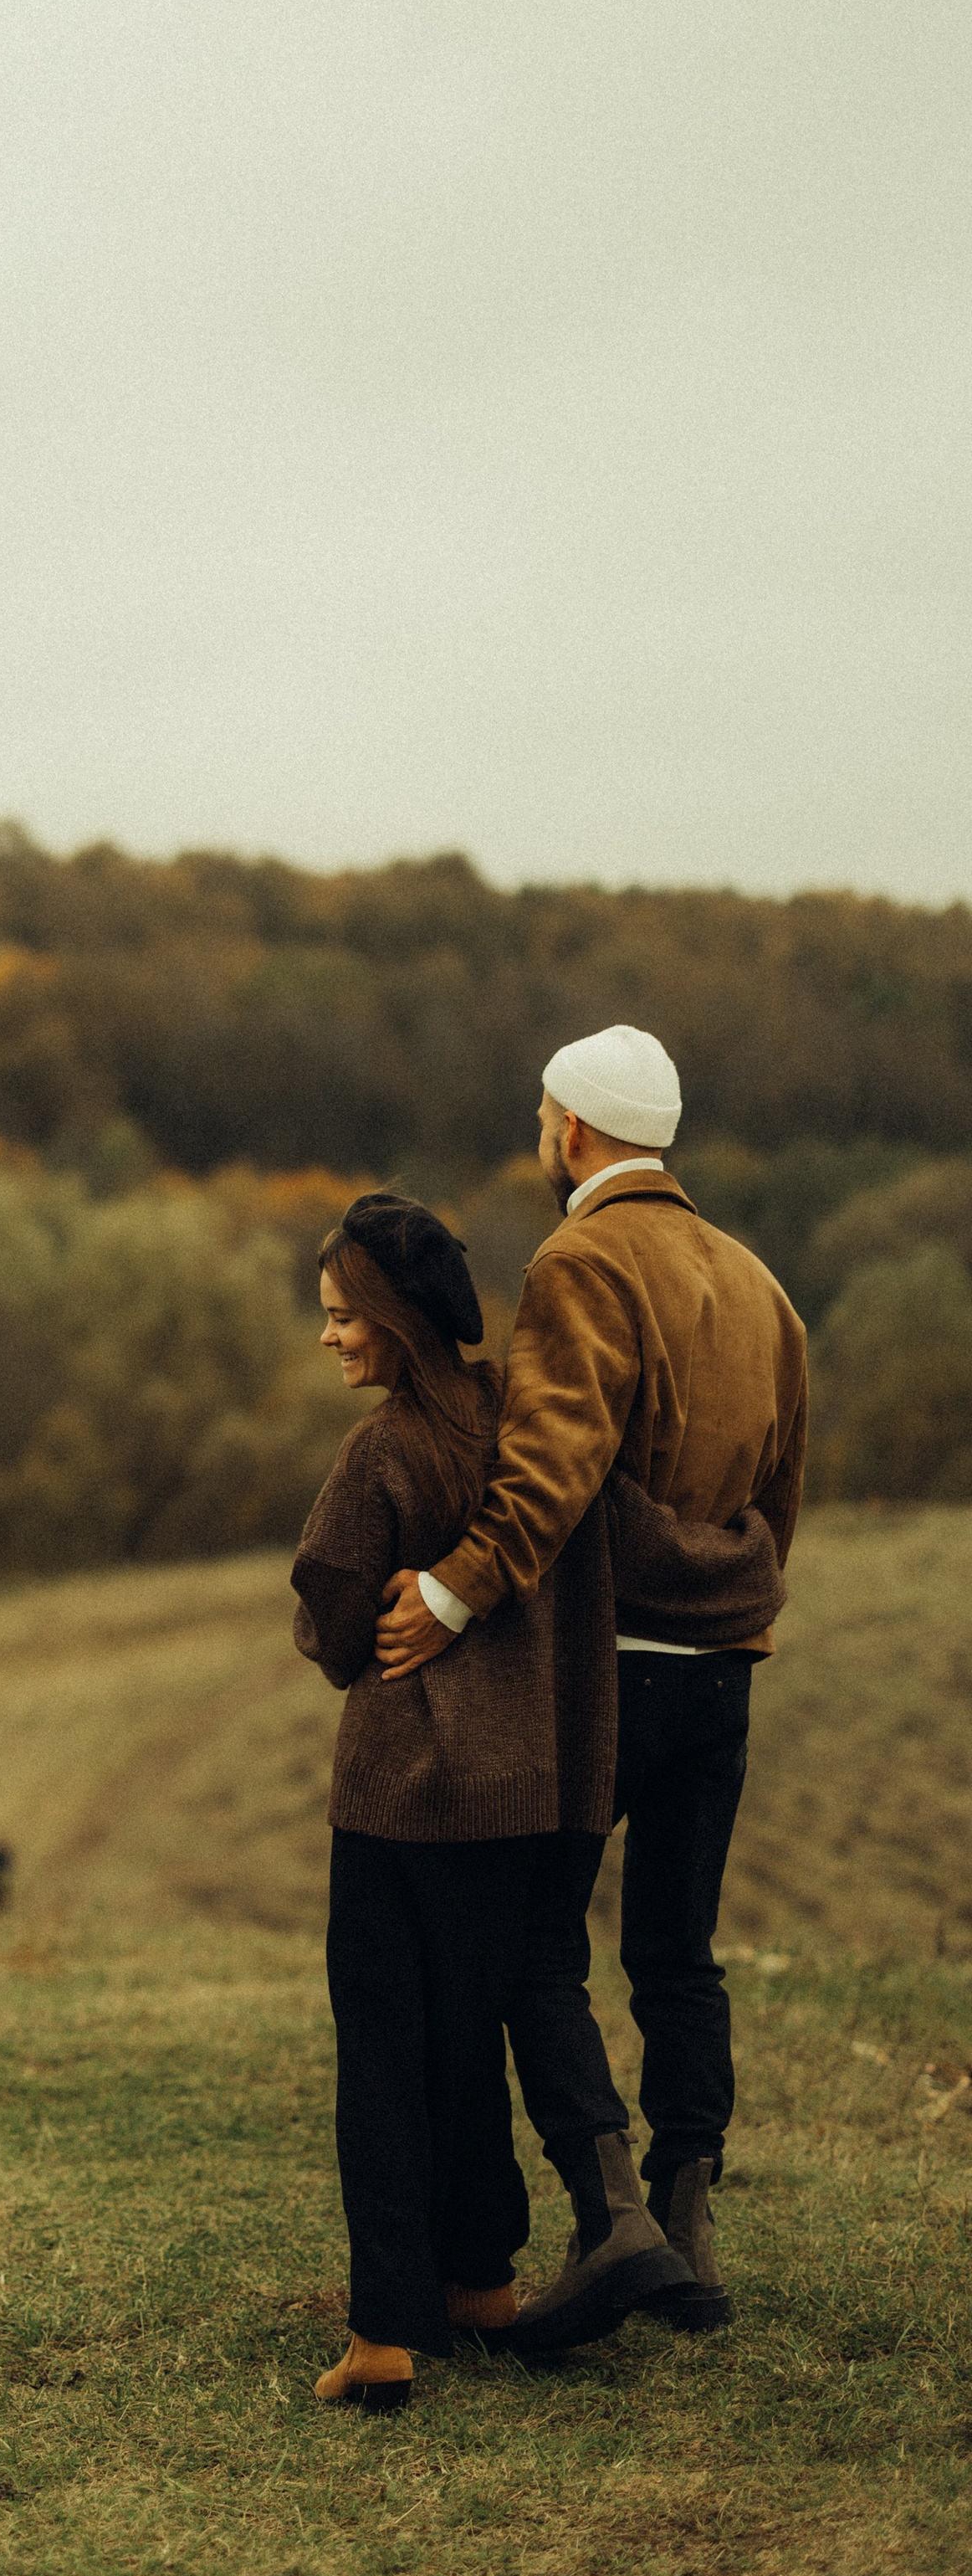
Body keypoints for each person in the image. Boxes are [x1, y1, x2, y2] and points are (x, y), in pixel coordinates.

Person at [375, 1028, 808, 2348]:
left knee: (532, 1946)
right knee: (678, 1949)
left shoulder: (579, 1263)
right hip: (725, 1661)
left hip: (607, 1662)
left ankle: (610, 2215)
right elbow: (782, 1491)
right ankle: (687, 2225)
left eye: (543, 1111)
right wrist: (740, 1601)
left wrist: (455, 1587)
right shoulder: (759, 1283)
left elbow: (553, 1462)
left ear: (569, 1129)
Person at [289, 1193, 653, 2414]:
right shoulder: (526, 1424)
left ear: (392, 1321)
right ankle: (481, 2282)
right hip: (525, 1797)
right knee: (470, 2043)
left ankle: (388, 2331)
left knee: (385, 2057)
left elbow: (336, 1625)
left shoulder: (382, 1455)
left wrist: (359, 1617)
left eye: (343, 1318)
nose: (331, 1338)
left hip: (399, 1802)